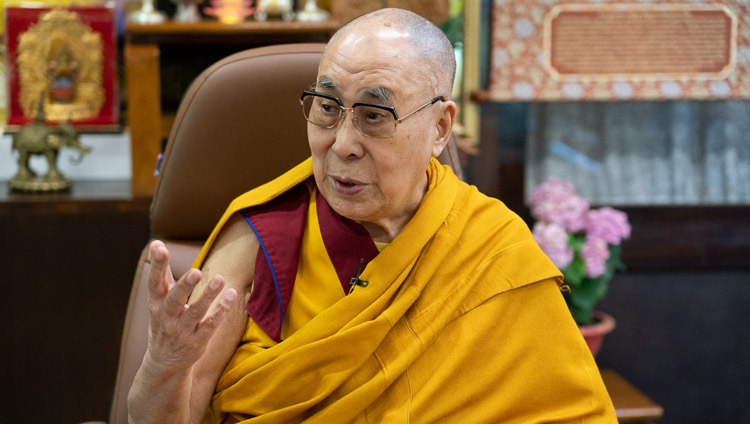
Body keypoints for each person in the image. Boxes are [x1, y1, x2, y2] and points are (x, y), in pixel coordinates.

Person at [128, 8, 617, 424]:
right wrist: (166, 365)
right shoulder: (261, 238)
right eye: (326, 107)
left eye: (374, 116)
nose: (341, 145)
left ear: (441, 126)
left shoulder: (491, 247)